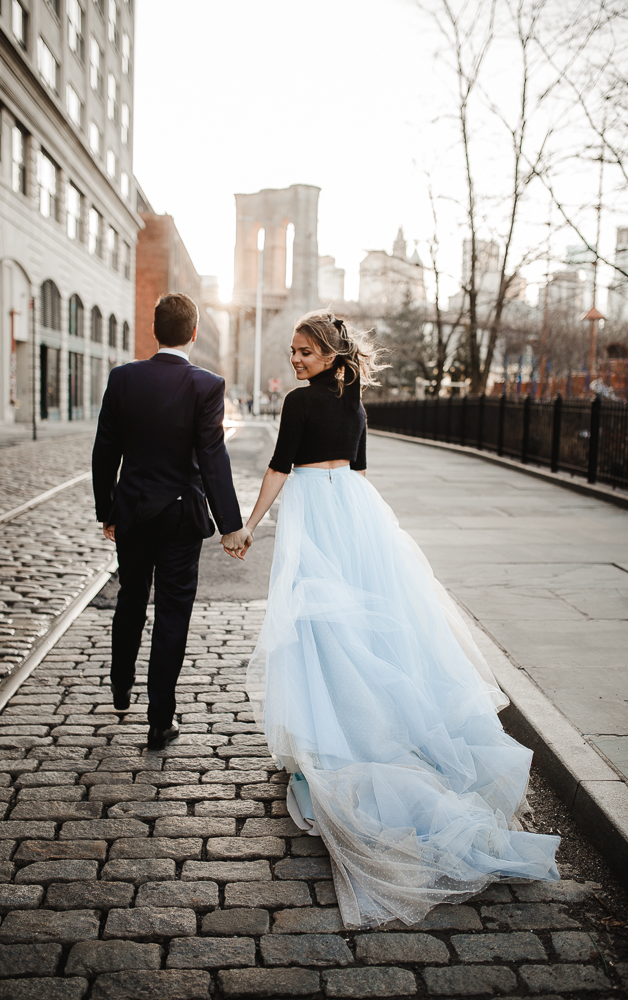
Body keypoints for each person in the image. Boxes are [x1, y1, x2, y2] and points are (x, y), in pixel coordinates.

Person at [223, 310, 560, 930]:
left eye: (302, 351)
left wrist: (249, 525)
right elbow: (358, 467)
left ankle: (330, 738)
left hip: (315, 516)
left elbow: (279, 466)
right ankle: (365, 725)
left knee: (319, 629)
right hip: (355, 512)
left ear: (327, 354)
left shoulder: (300, 404)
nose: (293, 360)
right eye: (292, 352)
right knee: (364, 626)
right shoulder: (355, 405)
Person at [92, 293, 246, 750]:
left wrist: (108, 511)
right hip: (181, 517)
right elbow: (212, 456)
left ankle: (121, 686)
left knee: (131, 599)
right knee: (173, 613)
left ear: (154, 331)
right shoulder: (206, 385)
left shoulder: (123, 379)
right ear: (194, 334)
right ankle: (160, 720)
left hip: (134, 514)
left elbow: (105, 452)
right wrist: (230, 524)